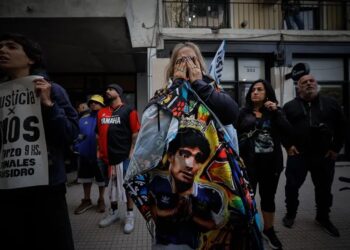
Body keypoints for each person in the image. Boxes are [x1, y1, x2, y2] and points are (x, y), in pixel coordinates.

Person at [124, 42, 263, 249]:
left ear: (201, 66)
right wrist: (177, 86)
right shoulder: (164, 95)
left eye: (192, 60)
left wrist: (200, 85)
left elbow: (232, 115)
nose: (187, 64)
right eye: (181, 60)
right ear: (173, 69)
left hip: (214, 186)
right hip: (169, 188)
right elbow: (150, 135)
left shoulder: (212, 90)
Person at [0, 33, 78, 249]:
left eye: (11, 47)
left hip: (47, 188)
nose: (3, 51)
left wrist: (48, 105)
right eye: (1, 47)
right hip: (8, 188)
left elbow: (69, 134)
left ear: (30, 59)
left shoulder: (52, 90)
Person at [282, 71, 346, 237]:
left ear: (316, 84)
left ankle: (323, 217)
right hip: (298, 155)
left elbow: (342, 127)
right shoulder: (290, 106)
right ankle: (290, 214)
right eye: (304, 82)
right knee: (291, 187)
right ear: (298, 87)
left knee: (324, 189)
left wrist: (335, 148)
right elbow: (282, 129)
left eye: (311, 81)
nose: (308, 84)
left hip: (324, 155)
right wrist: (288, 146)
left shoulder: (331, 104)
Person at [149, 125, 227, 249]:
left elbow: (216, 225)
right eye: (185, 155)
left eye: (198, 158)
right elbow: (151, 212)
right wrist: (174, 211)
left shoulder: (211, 194)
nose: (190, 165)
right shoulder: (156, 182)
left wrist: (191, 216)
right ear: (170, 156)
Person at [237, 79, 293, 250]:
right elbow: (234, 134)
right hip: (248, 165)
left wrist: (276, 111)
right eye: (253, 89)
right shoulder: (242, 113)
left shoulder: (275, 112)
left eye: (260, 89)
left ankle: (269, 230)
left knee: (268, 198)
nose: (255, 92)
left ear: (267, 93)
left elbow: (288, 131)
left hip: (271, 165)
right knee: (247, 199)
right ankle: (248, 229)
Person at [96, 83, 140, 234]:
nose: (107, 91)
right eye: (106, 89)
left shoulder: (129, 111)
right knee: (111, 186)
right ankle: (114, 212)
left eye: (111, 89)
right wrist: (98, 151)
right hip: (106, 158)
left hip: (123, 156)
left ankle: (129, 214)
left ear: (119, 92)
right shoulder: (101, 112)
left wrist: (132, 151)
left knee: (127, 186)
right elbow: (98, 133)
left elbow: (135, 133)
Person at [74, 94, 106, 214]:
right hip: (85, 155)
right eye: (91, 102)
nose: (93, 104)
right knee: (85, 178)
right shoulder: (82, 119)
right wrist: (77, 147)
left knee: (101, 179)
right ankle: (86, 200)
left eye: (96, 102)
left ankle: (101, 199)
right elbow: (76, 136)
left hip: (100, 155)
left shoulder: (105, 118)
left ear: (102, 105)